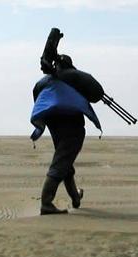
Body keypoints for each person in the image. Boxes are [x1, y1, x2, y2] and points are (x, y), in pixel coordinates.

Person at [30, 55, 101, 215]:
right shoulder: (74, 77)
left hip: (53, 124)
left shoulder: (44, 82)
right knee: (61, 162)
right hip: (72, 126)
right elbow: (96, 93)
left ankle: (75, 197)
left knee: (65, 162)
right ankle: (46, 203)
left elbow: (37, 96)